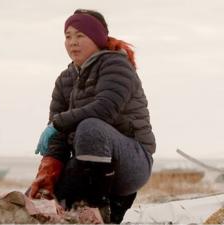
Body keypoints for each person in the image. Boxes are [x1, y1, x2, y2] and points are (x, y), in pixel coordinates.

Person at [28, 9, 155, 224]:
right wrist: (48, 170)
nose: (72, 42)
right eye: (68, 36)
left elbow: (105, 108)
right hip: (89, 164)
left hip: (130, 162)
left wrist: (57, 123)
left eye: (80, 36)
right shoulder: (64, 80)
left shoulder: (117, 66)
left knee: (90, 127)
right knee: (37, 200)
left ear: (97, 38)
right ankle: (77, 210)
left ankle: (100, 207)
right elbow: (58, 138)